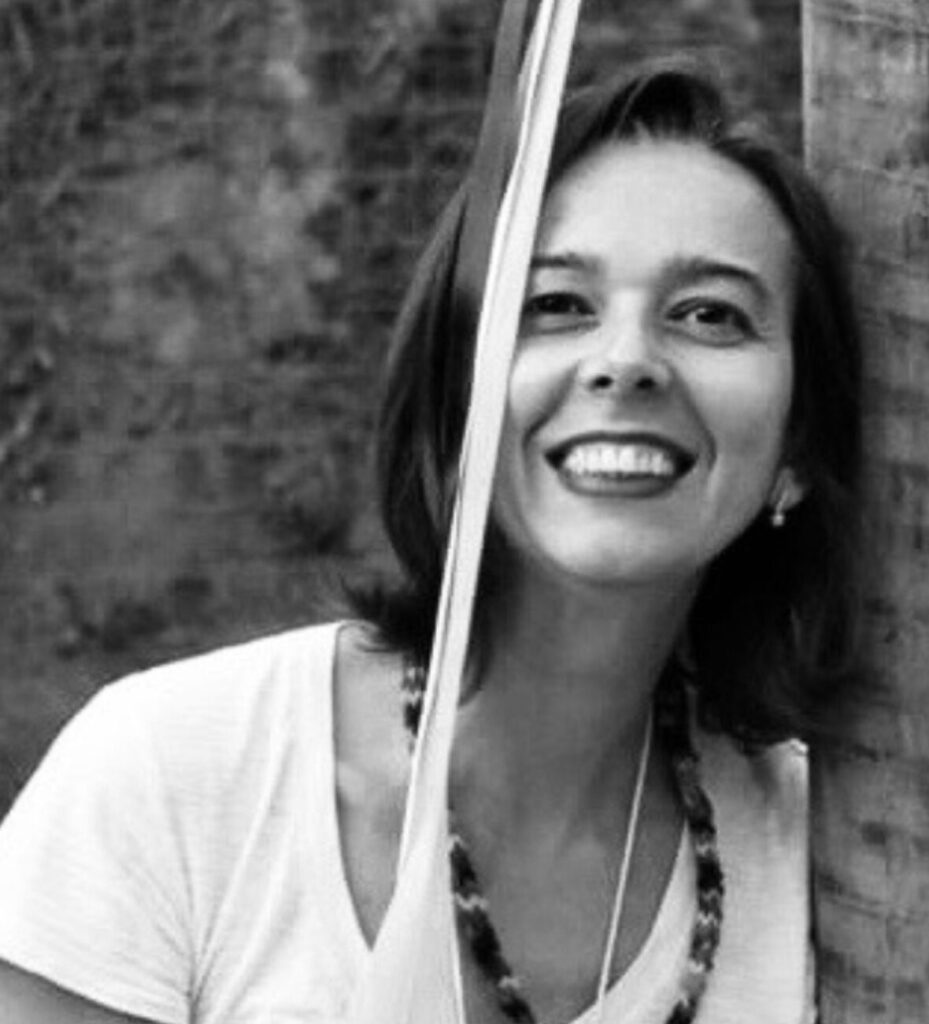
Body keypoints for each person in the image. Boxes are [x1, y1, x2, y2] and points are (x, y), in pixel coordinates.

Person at [0, 61, 862, 1024]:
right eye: (555, 304)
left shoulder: (839, 865)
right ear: (455, 396)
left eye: (710, 314)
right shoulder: (176, 776)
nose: (625, 361)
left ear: (797, 446)